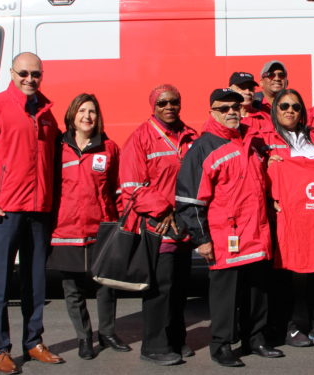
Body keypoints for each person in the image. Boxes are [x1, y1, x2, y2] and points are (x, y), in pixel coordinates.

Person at [0, 52, 65, 374]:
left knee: (35, 283)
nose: (30, 79)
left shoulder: (48, 114)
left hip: (38, 212)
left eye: (36, 74)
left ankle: (33, 342)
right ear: (12, 72)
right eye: (23, 73)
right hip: (4, 212)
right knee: (0, 285)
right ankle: (0, 349)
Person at [176, 88, 283, 367]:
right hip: (227, 238)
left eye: (235, 107)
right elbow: (189, 200)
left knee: (257, 291)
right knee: (225, 297)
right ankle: (221, 345)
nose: (231, 112)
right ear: (211, 112)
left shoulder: (251, 141)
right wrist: (201, 239)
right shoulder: (203, 148)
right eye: (224, 109)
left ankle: (255, 339)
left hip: (256, 234)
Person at [47, 93, 131, 359]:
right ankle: (84, 338)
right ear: (72, 115)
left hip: (101, 229)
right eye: (82, 111)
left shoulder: (109, 148)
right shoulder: (57, 147)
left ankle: (107, 334)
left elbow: (117, 189)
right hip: (66, 229)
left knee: (105, 286)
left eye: (92, 111)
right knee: (72, 289)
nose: (87, 116)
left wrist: (119, 223)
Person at [119, 84, 197, 366]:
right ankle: (153, 346)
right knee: (159, 289)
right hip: (158, 227)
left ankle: (177, 339)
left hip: (184, 226)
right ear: (153, 105)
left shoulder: (190, 136)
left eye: (174, 101)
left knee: (179, 287)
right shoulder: (140, 138)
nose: (169, 107)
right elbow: (131, 186)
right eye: (163, 102)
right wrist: (163, 211)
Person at [262, 89, 314, 347]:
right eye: (284, 106)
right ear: (275, 110)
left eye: (296, 107)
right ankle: (291, 327)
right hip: (287, 218)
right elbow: (252, 173)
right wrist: (267, 165)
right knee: (288, 275)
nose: (290, 111)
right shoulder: (265, 139)